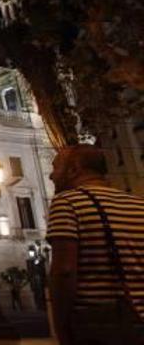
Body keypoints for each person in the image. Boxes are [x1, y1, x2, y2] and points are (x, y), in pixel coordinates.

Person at [47, 144, 144, 345]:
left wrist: (61, 326)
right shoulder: (138, 205)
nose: (51, 176)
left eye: (56, 167)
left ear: (74, 169)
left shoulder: (67, 203)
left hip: (99, 324)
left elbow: (64, 271)